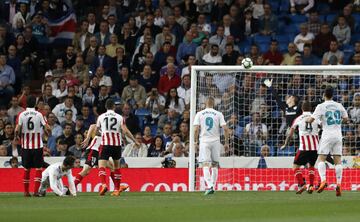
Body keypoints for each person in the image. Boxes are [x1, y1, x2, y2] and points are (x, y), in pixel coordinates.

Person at [307, 86, 349, 197]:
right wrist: (338, 122)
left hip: (327, 135)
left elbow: (311, 120)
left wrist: (308, 119)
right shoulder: (339, 105)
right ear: (333, 95)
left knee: (321, 158)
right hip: (338, 135)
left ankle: (323, 180)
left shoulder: (321, 106)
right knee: (338, 161)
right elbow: (346, 119)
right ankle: (339, 184)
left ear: (324, 95)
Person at [96, 99, 139, 196]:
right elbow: (125, 130)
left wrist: (103, 132)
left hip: (105, 144)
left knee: (101, 166)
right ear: (114, 107)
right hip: (116, 145)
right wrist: (134, 140)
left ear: (106, 107)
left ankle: (103, 184)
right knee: (116, 167)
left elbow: (96, 131)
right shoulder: (120, 117)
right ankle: (116, 190)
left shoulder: (101, 117)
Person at [14, 95, 50, 197]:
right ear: (35, 103)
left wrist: (16, 136)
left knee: (26, 169)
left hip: (25, 146)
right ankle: (35, 192)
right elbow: (47, 127)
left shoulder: (22, 114)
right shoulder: (39, 114)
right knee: (38, 169)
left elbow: (17, 129)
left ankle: (26, 192)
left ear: (26, 103)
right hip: (37, 146)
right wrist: (48, 134)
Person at [281, 101, 320, 194]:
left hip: (304, 148)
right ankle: (310, 186)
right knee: (311, 166)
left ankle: (302, 184)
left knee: (295, 167)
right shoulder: (316, 118)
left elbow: (290, 133)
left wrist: (285, 144)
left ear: (302, 109)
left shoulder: (298, 118)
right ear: (311, 109)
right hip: (315, 147)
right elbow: (323, 126)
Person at [194, 97, 229, 195]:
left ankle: (209, 186)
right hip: (216, 141)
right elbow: (226, 129)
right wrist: (226, 143)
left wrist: (195, 142)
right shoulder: (218, 114)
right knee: (215, 164)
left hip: (204, 141)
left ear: (205, 103)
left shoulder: (199, 114)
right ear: (214, 104)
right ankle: (213, 185)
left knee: (205, 164)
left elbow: (196, 129)